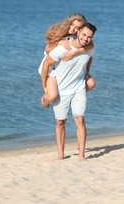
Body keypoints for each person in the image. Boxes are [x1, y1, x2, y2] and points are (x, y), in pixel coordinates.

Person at [40, 22, 97, 162]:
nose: (86, 39)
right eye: (84, 34)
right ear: (77, 33)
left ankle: (82, 155)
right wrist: (45, 87)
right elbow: (46, 64)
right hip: (62, 89)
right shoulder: (62, 49)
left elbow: (90, 57)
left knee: (80, 119)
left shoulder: (89, 48)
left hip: (78, 88)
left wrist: (86, 71)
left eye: (89, 37)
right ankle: (61, 154)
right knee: (61, 122)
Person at [38, 14, 96, 108]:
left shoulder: (79, 38)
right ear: (68, 22)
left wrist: (75, 53)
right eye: (72, 24)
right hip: (52, 68)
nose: (73, 29)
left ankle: (71, 97)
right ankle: (44, 100)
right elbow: (47, 50)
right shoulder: (58, 31)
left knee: (91, 83)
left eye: (77, 28)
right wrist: (59, 43)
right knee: (52, 96)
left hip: (68, 67)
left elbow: (91, 47)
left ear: (80, 30)